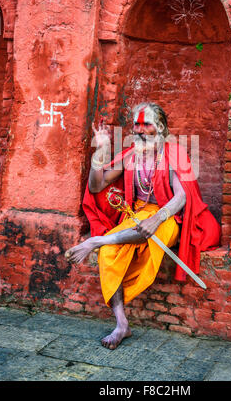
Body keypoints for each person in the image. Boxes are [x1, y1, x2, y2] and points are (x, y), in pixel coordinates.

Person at [65, 102, 220, 349]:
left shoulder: (174, 155)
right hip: (136, 215)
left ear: (160, 128)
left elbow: (181, 197)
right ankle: (121, 325)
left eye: (146, 124)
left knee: (143, 233)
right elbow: (96, 187)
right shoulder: (130, 156)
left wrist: (157, 218)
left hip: (169, 217)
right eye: (136, 125)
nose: (139, 130)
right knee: (108, 254)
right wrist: (101, 153)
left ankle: (96, 240)